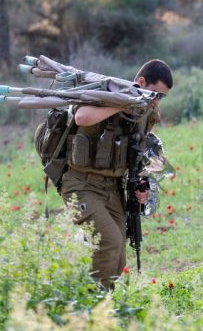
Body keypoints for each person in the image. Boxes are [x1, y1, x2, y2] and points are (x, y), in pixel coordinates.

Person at [59, 59, 173, 290]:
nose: (156, 101)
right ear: (141, 82)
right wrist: (123, 104)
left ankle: (101, 309)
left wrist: (141, 186)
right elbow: (82, 117)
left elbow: (138, 152)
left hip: (112, 188)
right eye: (154, 94)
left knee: (118, 257)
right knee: (108, 243)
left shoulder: (145, 113)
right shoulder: (108, 95)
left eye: (161, 97)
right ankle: (87, 303)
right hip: (81, 184)